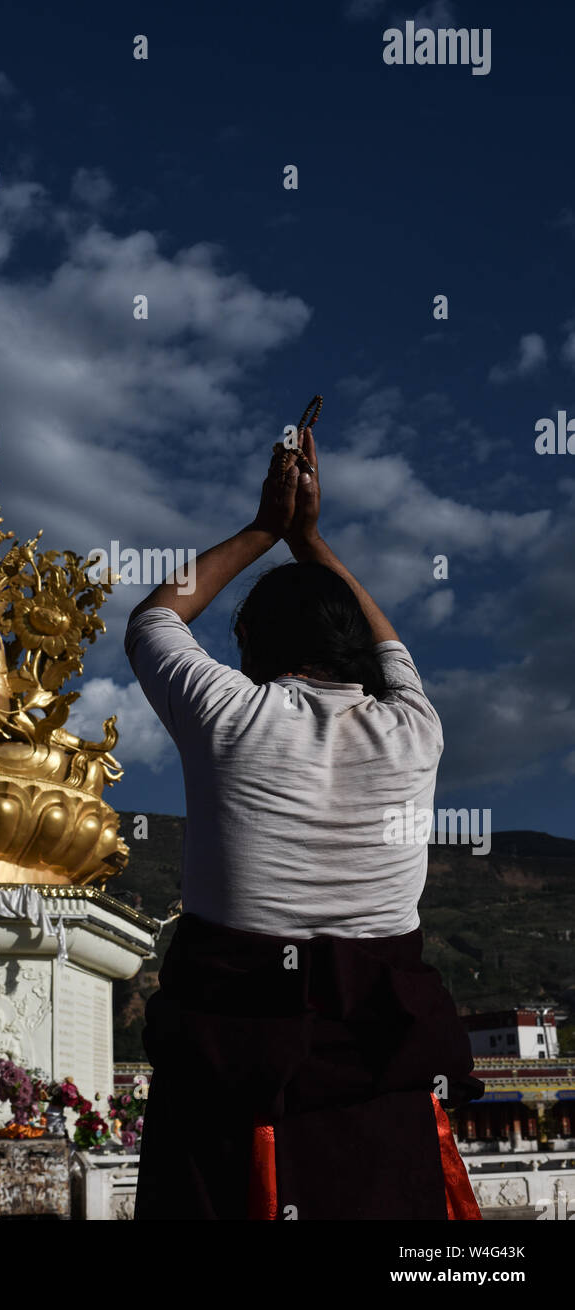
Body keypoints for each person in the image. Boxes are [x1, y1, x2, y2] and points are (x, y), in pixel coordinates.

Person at [125, 426, 482, 1220]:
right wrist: (311, 537)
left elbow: (154, 618)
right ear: (358, 646)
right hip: (375, 1075)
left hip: (229, 1081)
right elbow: (386, 642)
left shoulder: (227, 712)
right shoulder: (414, 727)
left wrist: (263, 529)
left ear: (248, 641)